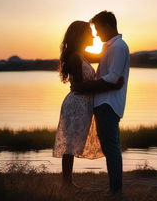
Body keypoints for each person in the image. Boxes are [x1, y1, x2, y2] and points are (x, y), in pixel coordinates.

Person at [52, 20, 124, 190]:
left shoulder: (81, 54)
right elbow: (79, 87)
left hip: (84, 104)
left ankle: (67, 183)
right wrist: (113, 85)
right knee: (70, 144)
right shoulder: (75, 57)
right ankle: (66, 184)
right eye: (90, 33)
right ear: (81, 36)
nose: (93, 36)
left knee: (74, 142)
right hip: (77, 104)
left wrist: (115, 46)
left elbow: (104, 56)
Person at [72, 11, 130, 195]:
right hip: (103, 102)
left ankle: (115, 190)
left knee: (111, 146)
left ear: (107, 26)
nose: (96, 34)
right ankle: (115, 189)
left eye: (97, 29)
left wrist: (83, 87)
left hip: (109, 103)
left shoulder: (118, 47)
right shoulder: (109, 47)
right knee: (109, 146)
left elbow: (112, 78)